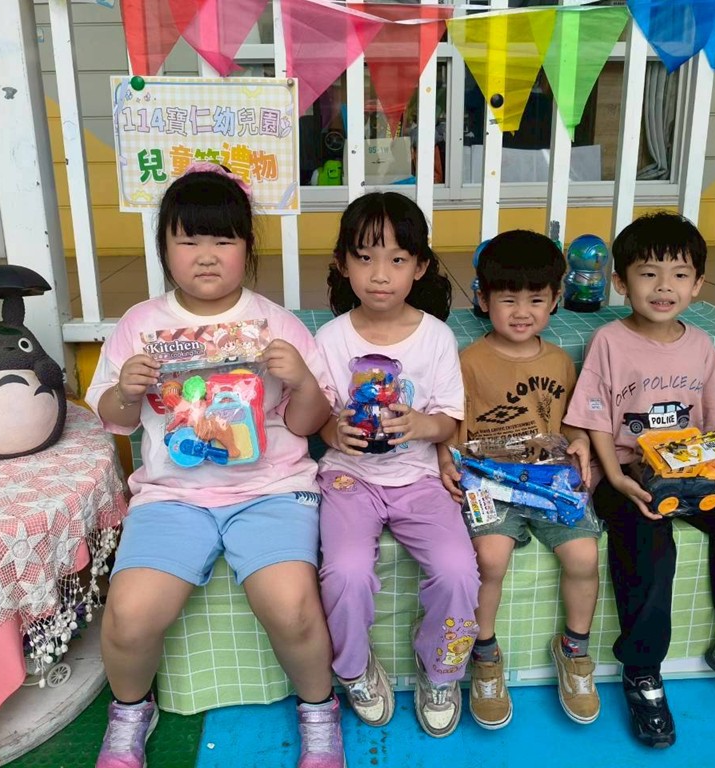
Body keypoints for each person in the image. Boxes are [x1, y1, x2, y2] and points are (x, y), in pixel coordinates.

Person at [84, 163, 344, 768]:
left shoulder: (278, 324)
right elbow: (114, 417)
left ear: (248, 248)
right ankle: (130, 713)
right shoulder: (141, 325)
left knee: (293, 607)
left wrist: (303, 381)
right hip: (172, 495)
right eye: (188, 240)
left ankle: (319, 712)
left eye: (224, 239)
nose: (206, 255)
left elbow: (308, 423)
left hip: (272, 489)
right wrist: (125, 389)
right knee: (128, 615)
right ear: (164, 249)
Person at [563, 212, 715, 749]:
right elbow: (595, 419)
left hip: (692, 471)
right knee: (650, 550)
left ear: (698, 284)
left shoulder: (702, 345)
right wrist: (615, 477)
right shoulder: (608, 341)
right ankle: (642, 669)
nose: (664, 287)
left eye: (679, 274)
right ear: (621, 282)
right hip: (627, 474)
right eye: (648, 273)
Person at [315, 192, 480, 738]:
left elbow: (449, 421)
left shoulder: (436, 337)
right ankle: (354, 669)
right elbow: (318, 418)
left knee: (459, 571)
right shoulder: (331, 338)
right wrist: (333, 430)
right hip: (349, 477)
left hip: (419, 480)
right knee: (345, 572)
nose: (380, 274)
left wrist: (420, 425)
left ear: (420, 266)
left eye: (397, 259)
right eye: (365, 257)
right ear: (343, 263)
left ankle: (442, 670)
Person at [437, 230, 601, 731]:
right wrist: (444, 459)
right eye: (508, 299)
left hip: (550, 482)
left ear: (556, 299)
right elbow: (449, 424)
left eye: (536, 299)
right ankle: (485, 655)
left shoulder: (558, 361)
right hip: (488, 482)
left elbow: (571, 423)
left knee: (584, 555)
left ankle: (574, 650)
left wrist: (581, 443)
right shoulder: (467, 361)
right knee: (490, 557)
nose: (522, 311)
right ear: (483, 299)